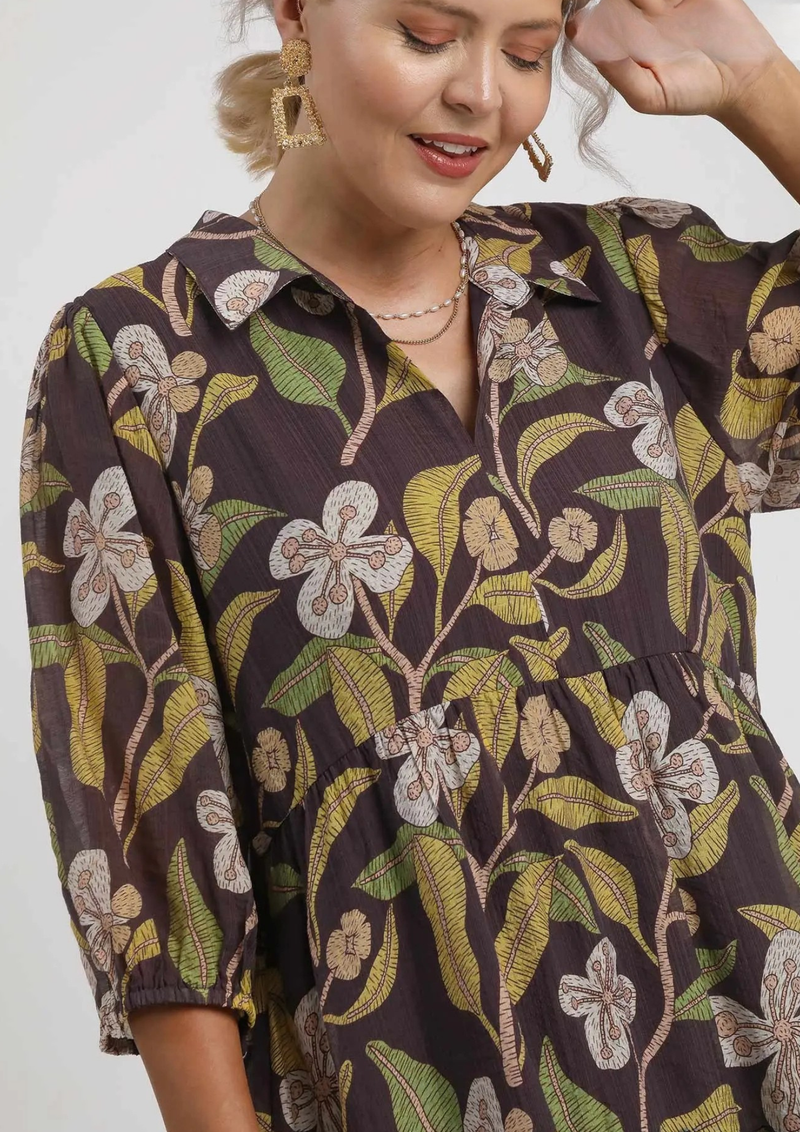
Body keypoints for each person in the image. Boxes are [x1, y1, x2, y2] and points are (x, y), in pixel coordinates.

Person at [17, 0, 800, 1129]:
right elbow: (156, 846)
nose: (481, 93)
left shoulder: (633, 287)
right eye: (428, 34)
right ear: (296, 13)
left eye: (526, 53)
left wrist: (757, 79)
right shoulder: (140, 359)